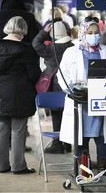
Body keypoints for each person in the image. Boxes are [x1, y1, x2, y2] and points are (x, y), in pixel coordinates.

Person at [0, 16, 41, 174]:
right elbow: (34, 73)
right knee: (18, 129)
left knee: (1, 130)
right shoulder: (25, 49)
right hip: (18, 93)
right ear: (22, 30)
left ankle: (2, 165)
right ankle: (18, 166)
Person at [0, 0, 40, 149]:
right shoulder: (28, 17)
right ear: (18, 0)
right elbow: (35, 44)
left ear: (4, 0)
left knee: (2, 112)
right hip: (22, 69)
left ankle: (5, 152)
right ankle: (19, 147)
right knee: (20, 111)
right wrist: (33, 71)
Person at [57, 17, 106, 172]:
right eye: (90, 32)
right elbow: (62, 75)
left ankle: (103, 168)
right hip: (80, 102)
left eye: (96, 32)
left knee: (102, 136)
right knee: (81, 137)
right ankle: (84, 170)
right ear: (83, 33)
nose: (94, 35)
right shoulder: (71, 52)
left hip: (101, 100)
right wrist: (72, 90)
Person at [32, 20, 74, 154]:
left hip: (55, 85)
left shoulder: (51, 48)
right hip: (69, 85)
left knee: (57, 114)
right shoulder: (72, 46)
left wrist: (44, 32)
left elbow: (35, 44)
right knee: (67, 113)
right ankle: (67, 143)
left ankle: (57, 144)